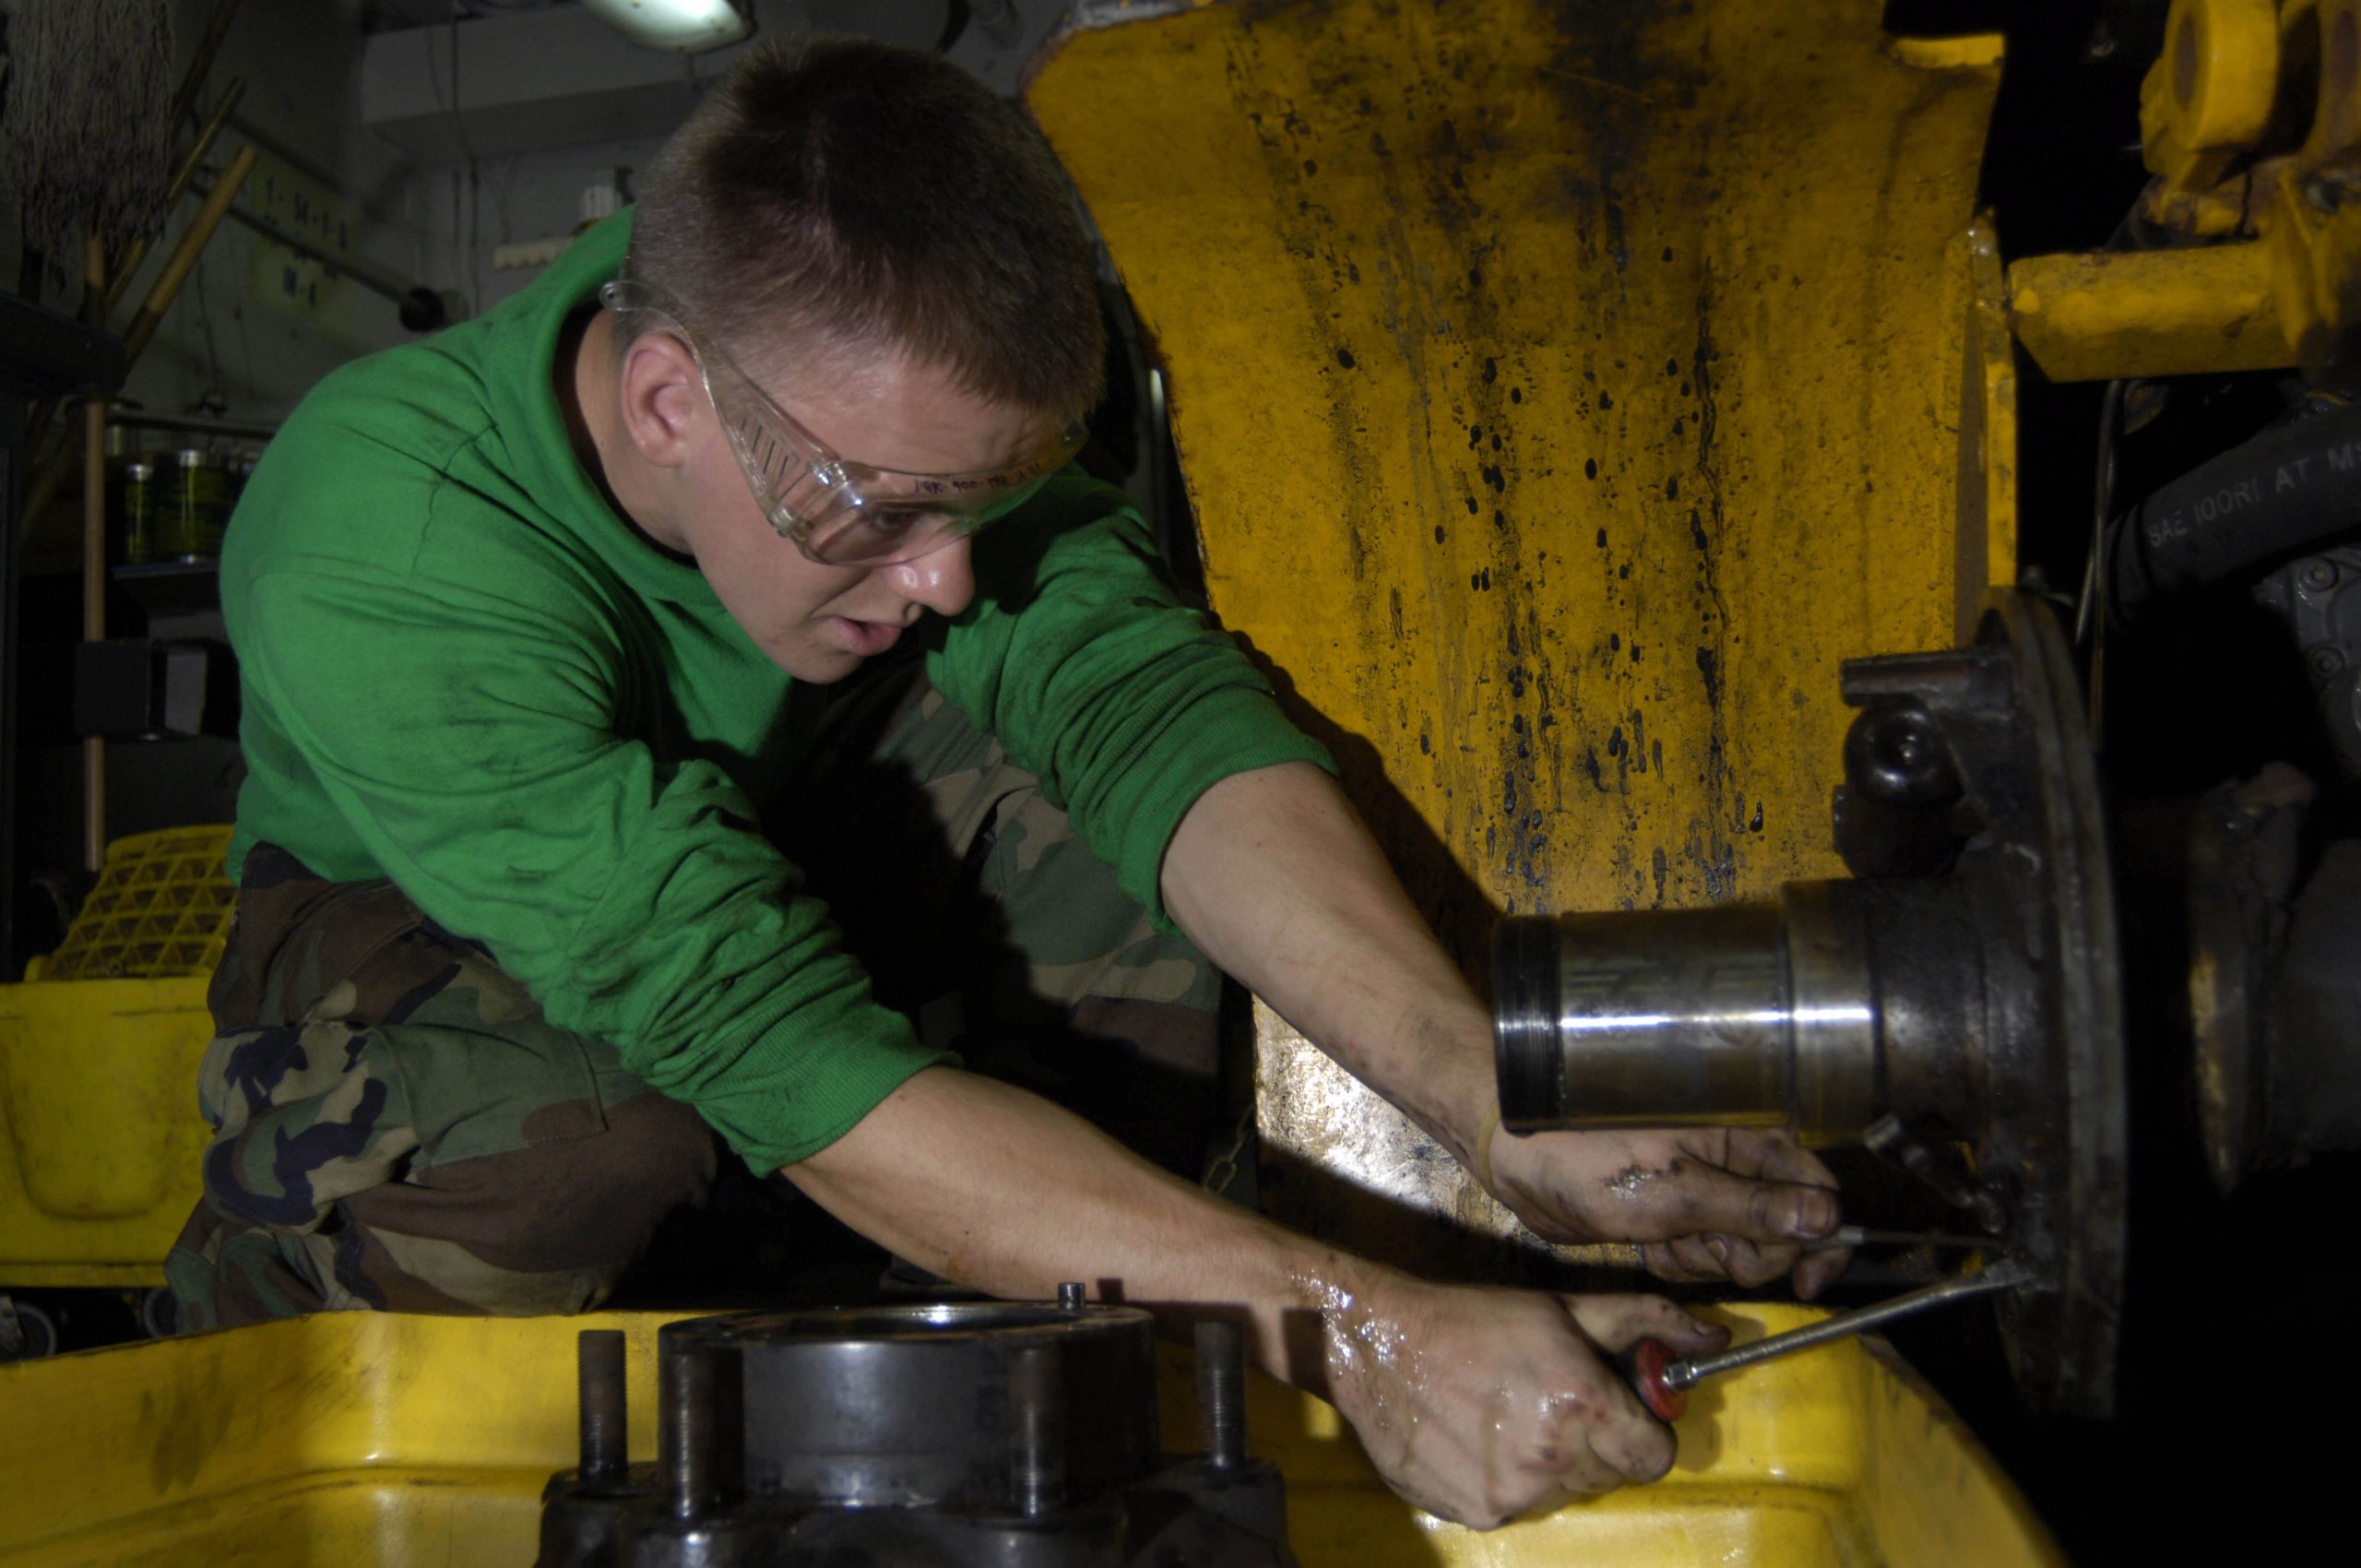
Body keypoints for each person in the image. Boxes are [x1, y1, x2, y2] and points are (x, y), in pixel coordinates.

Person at [163, 37, 1847, 1527]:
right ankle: (265, 1299)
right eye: (883, 510)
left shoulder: (861, 361)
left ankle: (980, 1332)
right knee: (604, 1129)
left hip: (752, 851)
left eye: (981, 507)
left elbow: (1142, 716)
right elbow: (748, 1027)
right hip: (412, 945)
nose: (950, 578)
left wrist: (1488, 1099)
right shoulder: (384, 532)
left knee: (1098, 807)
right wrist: (1357, 1333)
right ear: (668, 399)